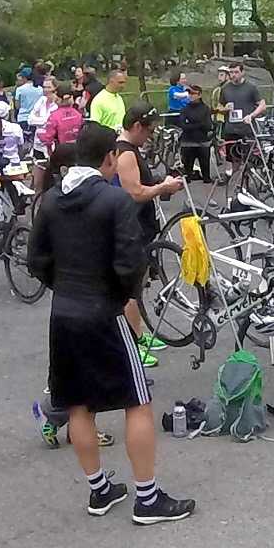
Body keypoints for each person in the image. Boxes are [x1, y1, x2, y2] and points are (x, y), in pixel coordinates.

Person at [26, 122, 194, 525]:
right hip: (103, 310)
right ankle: (147, 498)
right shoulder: (115, 201)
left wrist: (61, 286)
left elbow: (36, 261)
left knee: (78, 403)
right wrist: (120, 297)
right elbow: (130, 263)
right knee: (136, 401)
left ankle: (99, 490)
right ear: (108, 158)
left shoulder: (51, 200)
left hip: (63, 311)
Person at [114, 104, 185, 367]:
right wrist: (162, 187)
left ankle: (139, 335)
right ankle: (131, 344)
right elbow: (134, 192)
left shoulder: (131, 151)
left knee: (141, 285)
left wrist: (158, 181)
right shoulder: (125, 154)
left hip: (142, 224)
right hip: (132, 226)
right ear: (136, 127)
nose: (150, 137)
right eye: (149, 131)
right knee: (132, 290)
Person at [174, 85, 215, 182]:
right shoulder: (185, 109)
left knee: (206, 178)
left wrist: (191, 123)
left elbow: (207, 125)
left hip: (202, 142)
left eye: (193, 93)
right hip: (188, 142)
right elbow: (182, 125)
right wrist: (198, 124)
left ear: (199, 95)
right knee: (187, 176)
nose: (190, 96)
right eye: (189, 93)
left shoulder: (205, 108)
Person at [86, 69, 127, 133]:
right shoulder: (99, 100)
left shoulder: (119, 98)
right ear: (111, 81)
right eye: (120, 82)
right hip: (107, 139)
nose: (123, 86)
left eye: (124, 83)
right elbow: (95, 127)